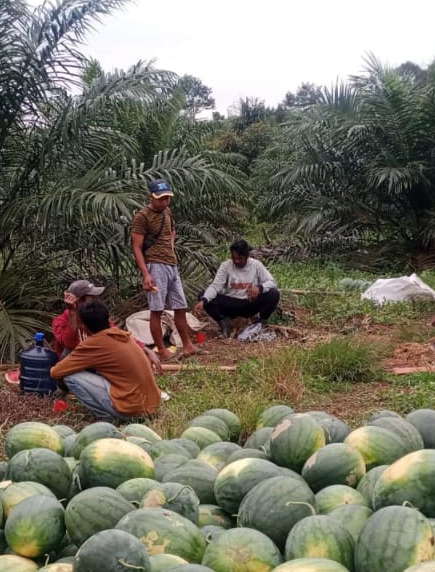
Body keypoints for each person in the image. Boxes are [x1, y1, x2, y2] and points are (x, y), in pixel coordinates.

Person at [50, 301, 162, 422]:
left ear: (84, 325)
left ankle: (107, 417)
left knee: (70, 376)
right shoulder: (123, 334)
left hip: (131, 412)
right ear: (107, 319)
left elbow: (56, 372)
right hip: (151, 406)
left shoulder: (94, 344)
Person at [131, 178, 199, 360]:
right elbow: (136, 246)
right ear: (151, 197)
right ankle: (161, 349)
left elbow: (172, 231)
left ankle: (187, 346)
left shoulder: (167, 212)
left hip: (171, 264)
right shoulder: (142, 216)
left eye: (167, 198)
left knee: (180, 306)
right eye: (161, 198)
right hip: (155, 265)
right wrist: (146, 273)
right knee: (157, 309)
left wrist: (170, 246)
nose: (164, 201)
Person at [195, 240, 281, 336]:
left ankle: (260, 322)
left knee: (274, 294)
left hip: (250, 303)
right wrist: (204, 300)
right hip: (231, 304)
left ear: (247, 256)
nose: (236, 261)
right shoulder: (226, 266)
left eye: (240, 258)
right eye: (234, 258)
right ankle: (224, 324)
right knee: (204, 295)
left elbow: (272, 282)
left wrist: (260, 288)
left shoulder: (256, 265)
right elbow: (216, 286)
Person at [51, 279, 105, 356]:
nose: (96, 300)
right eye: (92, 297)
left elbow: (112, 333)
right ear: (79, 301)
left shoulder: (97, 315)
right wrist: (72, 312)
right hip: (73, 363)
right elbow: (69, 344)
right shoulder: (60, 321)